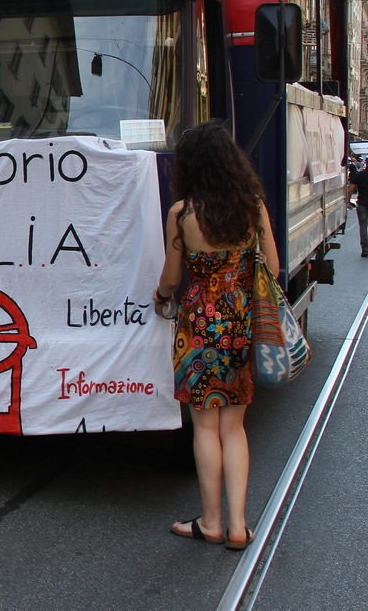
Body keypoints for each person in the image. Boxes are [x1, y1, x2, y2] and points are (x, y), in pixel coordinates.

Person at [153, 121, 279, 551]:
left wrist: (160, 296)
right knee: (234, 428)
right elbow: (274, 270)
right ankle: (239, 525)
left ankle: (210, 522)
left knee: (204, 427)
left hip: (199, 326)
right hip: (241, 323)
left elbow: (171, 277)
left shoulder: (182, 213)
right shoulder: (253, 207)